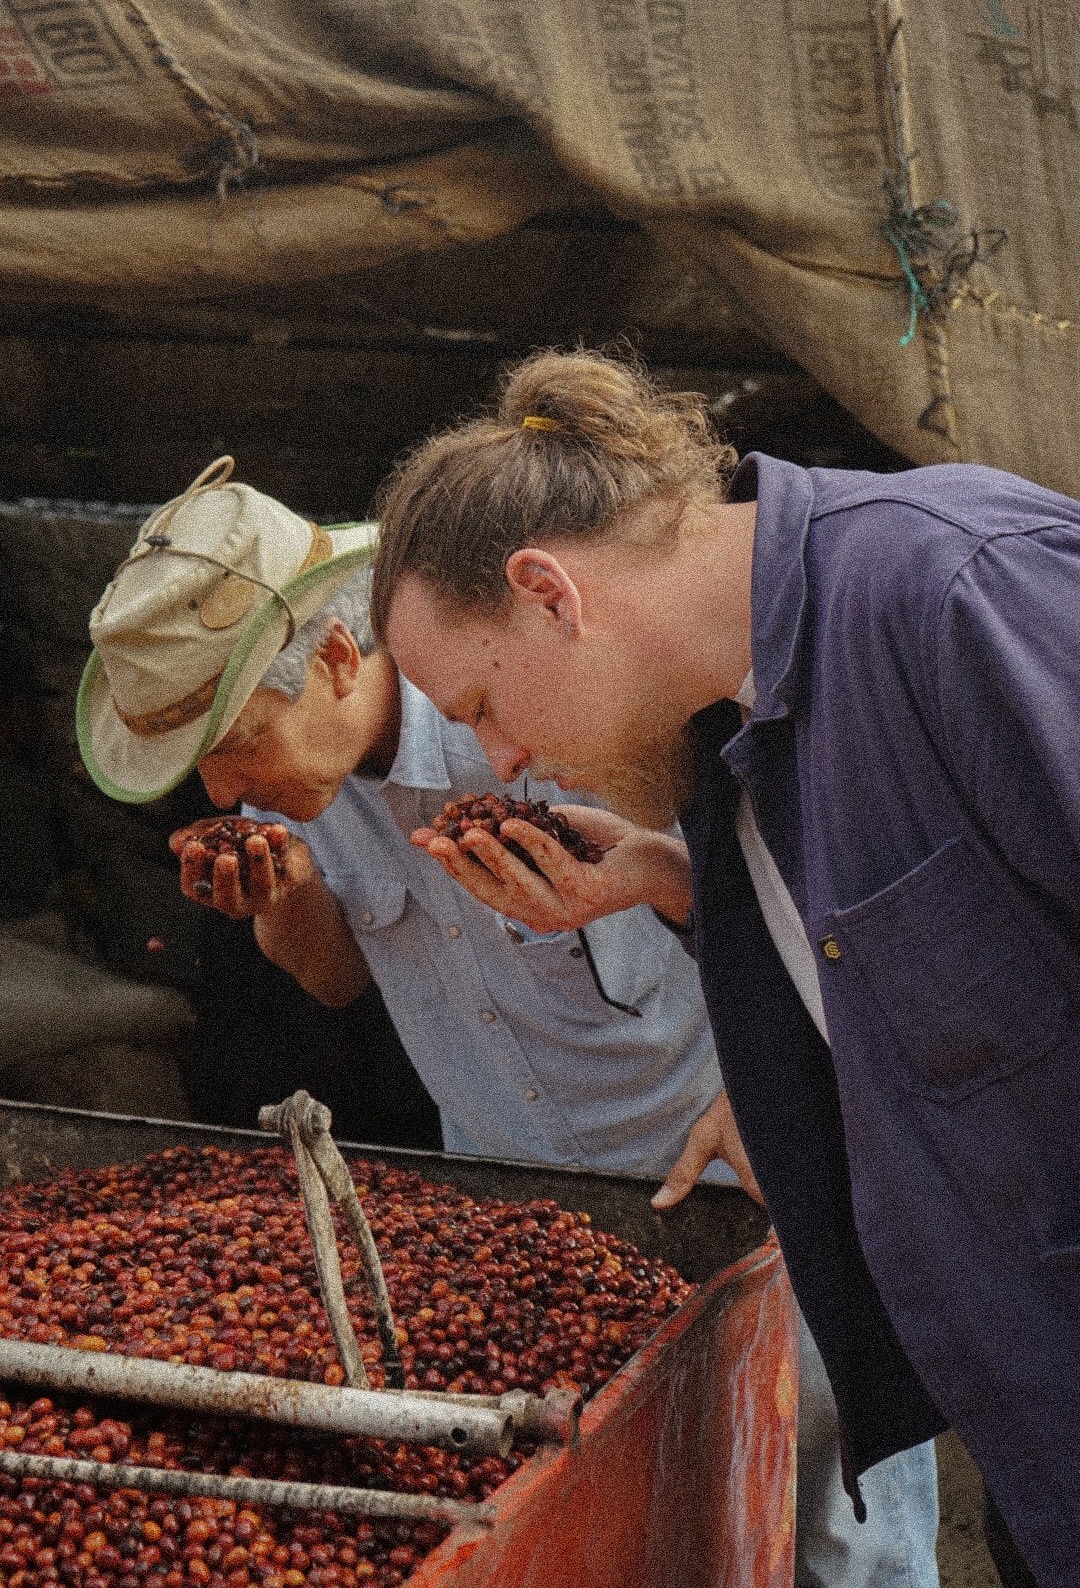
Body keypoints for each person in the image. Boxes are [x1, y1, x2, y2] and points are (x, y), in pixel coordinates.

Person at [78, 453, 943, 1588]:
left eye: (233, 747)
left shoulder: (549, 705)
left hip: (745, 1206)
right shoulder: (315, 792)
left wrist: (758, 1037)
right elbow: (342, 980)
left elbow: (804, 910)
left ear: (336, 658)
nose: (224, 792)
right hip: (526, 1233)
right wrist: (283, 900)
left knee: (829, 1534)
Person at [367, 346, 1077, 1588]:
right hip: (1032, 1405)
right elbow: (923, 946)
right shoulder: (723, 739)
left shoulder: (956, 586)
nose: (503, 756)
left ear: (549, 591)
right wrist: (681, 884)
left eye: (480, 701)